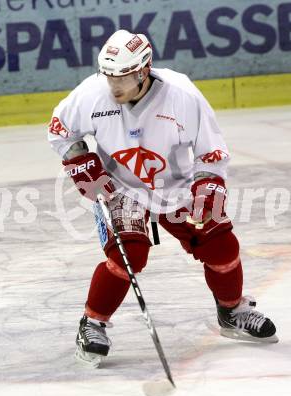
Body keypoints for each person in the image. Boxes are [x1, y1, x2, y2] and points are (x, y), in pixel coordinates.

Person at [48, 30, 278, 366]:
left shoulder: (181, 94)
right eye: (109, 75)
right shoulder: (92, 94)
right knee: (128, 255)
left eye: (122, 76)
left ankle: (231, 311)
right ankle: (92, 323)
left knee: (221, 246)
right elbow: (59, 129)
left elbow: (210, 150)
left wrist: (207, 184)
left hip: (177, 186)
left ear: (143, 71)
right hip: (120, 187)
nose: (114, 86)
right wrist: (77, 159)